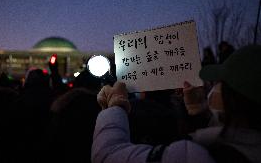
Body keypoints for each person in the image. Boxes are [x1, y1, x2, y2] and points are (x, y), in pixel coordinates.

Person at [92, 45, 261, 163]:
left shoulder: (191, 156)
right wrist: (199, 113)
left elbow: (107, 156)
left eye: (219, 82)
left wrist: (116, 106)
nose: (214, 87)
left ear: (233, 99)